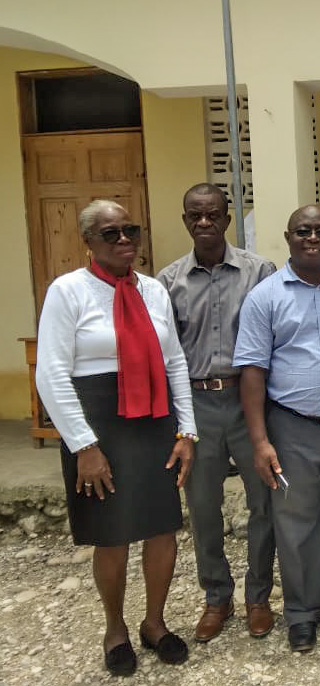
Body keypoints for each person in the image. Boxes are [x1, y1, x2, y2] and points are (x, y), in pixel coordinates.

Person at [36, 200, 196, 676]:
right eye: (111, 233)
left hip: (154, 419)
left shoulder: (152, 290)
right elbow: (52, 375)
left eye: (131, 230)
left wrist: (187, 429)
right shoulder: (68, 291)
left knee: (162, 527)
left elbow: (175, 363)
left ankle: (155, 622)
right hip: (99, 423)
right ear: (88, 240)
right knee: (112, 535)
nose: (124, 240)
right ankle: (115, 629)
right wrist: (83, 446)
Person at [233, 204, 320, 653]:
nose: (313, 238)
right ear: (288, 237)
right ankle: (301, 613)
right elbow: (252, 370)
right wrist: (259, 440)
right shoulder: (265, 296)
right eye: (304, 231)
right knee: (295, 523)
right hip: (291, 426)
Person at [156, 183, 277, 643]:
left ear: (228, 218)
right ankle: (217, 597)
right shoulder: (168, 281)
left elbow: (272, 339)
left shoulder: (258, 272)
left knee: (262, 501)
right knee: (203, 507)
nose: (204, 223)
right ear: (185, 220)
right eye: (195, 216)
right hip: (195, 406)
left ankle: (258, 597)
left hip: (248, 402)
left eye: (212, 215)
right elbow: (167, 354)